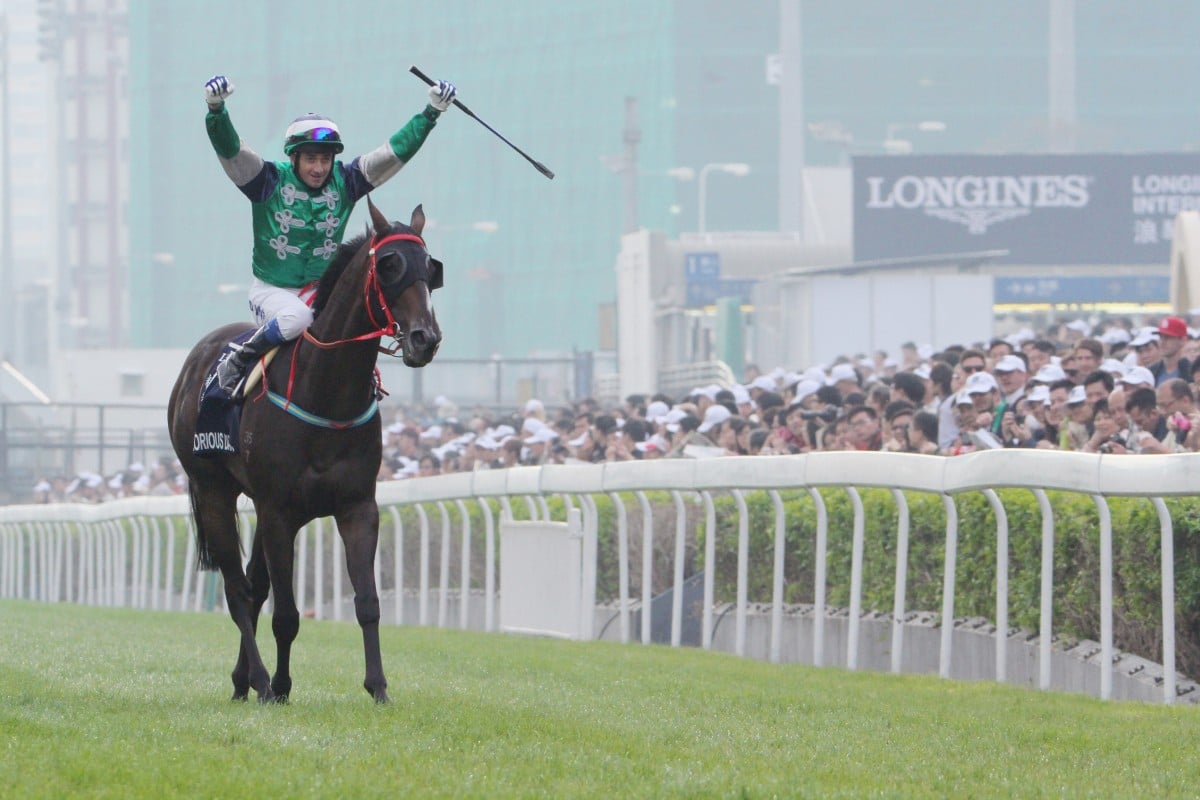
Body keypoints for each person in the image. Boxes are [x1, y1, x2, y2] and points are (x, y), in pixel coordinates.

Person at [202, 73, 458, 396]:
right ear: (293, 157)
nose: (319, 168)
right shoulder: (266, 181)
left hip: (319, 290)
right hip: (271, 290)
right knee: (296, 318)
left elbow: (393, 153)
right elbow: (231, 151)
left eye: (325, 159)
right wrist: (216, 110)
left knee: (354, 314)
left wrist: (431, 113)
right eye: (310, 159)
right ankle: (241, 358)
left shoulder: (348, 182)